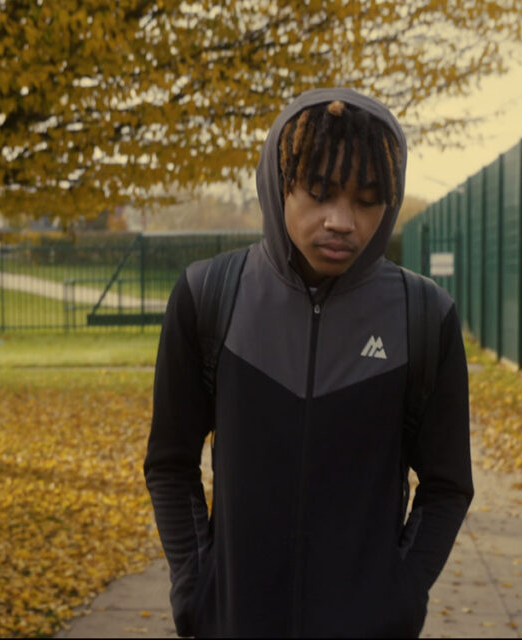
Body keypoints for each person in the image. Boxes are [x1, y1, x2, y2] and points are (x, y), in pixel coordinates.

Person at [144, 87, 473, 638]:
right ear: (280, 185)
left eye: (366, 200)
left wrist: (401, 593)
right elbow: (170, 463)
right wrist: (195, 584)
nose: (341, 220)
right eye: (319, 192)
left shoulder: (424, 314)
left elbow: (447, 484)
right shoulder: (208, 295)